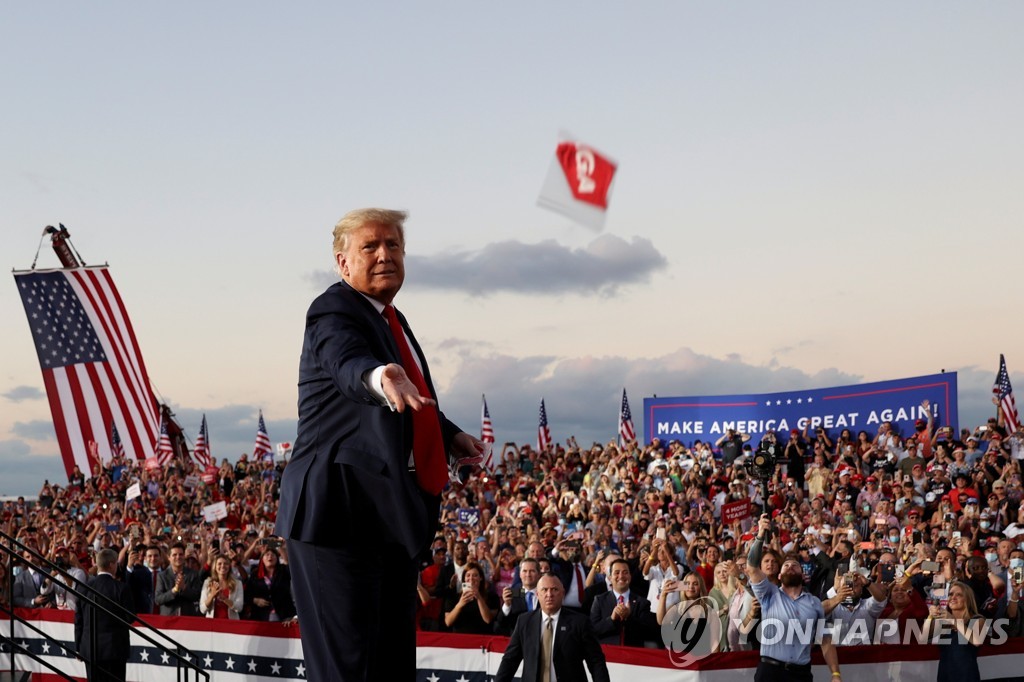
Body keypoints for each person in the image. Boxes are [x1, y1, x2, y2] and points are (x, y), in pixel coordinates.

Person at [276, 208, 485, 681]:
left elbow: (412, 397)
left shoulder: (392, 318)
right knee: (347, 670)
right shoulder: (333, 310)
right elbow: (348, 362)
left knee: (390, 668)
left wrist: (450, 435)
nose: (385, 254)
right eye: (370, 247)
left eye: (393, 245)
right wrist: (377, 375)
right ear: (342, 263)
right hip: (335, 518)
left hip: (388, 520)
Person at [747, 514, 842, 682]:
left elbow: (826, 639)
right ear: (779, 574)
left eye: (795, 565)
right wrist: (760, 534)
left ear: (803, 573)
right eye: (786, 566)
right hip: (770, 672)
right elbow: (752, 567)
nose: (790, 567)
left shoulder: (813, 603)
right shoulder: (769, 594)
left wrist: (835, 674)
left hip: (801, 674)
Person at [494, 574, 610, 682]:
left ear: (563, 593)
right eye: (544, 590)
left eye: (554, 589)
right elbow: (510, 660)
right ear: (537, 594)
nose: (549, 594)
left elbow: (595, 661)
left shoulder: (580, 622)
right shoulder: (524, 621)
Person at [74, 548, 134, 682]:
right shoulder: (121, 588)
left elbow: (78, 619)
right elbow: (130, 617)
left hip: (89, 648)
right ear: (112, 565)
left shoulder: (83, 588)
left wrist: (78, 647)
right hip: (115, 649)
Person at [926, 580, 985, 682]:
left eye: (959, 595)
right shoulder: (943, 622)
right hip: (944, 676)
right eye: (951, 594)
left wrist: (952, 620)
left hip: (967, 677)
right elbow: (923, 636)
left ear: (967, 599)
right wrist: (930, 615)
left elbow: (977, 640)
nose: (953, 597)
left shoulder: (978, 619)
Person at [590, 558, 656, 646]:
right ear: (610, 577)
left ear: (630, 576)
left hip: (633, 654)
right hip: (607, 654)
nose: (621, 576)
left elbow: (648, 632)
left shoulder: (642, 602)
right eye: (617, 572)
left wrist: (629, 617)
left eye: (625, 572)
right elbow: (592, 630)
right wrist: (611, 619)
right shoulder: (599, 600)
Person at [443, 561, 498, 634]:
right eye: (468, 575)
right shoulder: (453, 597)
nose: (471, 578)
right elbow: (448, 622)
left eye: (475, 575)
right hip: (460, 639)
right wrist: (460, 604)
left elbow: (488, 619)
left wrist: (478, 597)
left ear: (480, 578)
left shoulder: (492, 596)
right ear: (464, 579)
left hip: (483, 639)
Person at [244, 547, 295, 621]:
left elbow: (289, 564)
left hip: (284, 616)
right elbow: (246, 594)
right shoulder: (255, 574)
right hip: (261, 617)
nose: (270, 556)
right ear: (262, 559)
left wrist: (280, 546)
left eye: (273, 555)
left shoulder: (284, 571)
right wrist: (255, 600)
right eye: (267, 555)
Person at [496, 557, 541, 636]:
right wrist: (507, 605)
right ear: (519, 574)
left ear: (538, 574)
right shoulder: (513, 593)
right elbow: (500, 624)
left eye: (532, 571)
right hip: (519, 639)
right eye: (525, 571)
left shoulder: (545, 593)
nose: (528, 574)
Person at [154, 543, 203, 616]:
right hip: (168, 619)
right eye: (174, 555)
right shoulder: (162, 576)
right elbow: (158, 599)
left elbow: (197, 596)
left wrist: (184, 588)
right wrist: (175, 590)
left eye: (181, 554)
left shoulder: (193, 574)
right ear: (169, 557)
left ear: (184, 556)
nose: (178, 557)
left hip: (188, 618)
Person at [201, 555, 244, 619]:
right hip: (212, 624)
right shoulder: (208, 582)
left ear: (229, 567)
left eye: (226, 563)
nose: (223, 566)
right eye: (219, 564)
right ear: (215, 567)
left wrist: (224, 599)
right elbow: (202, 609)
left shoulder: (237, 584)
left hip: (231, 624)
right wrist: (212, 595)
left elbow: (239, 608)